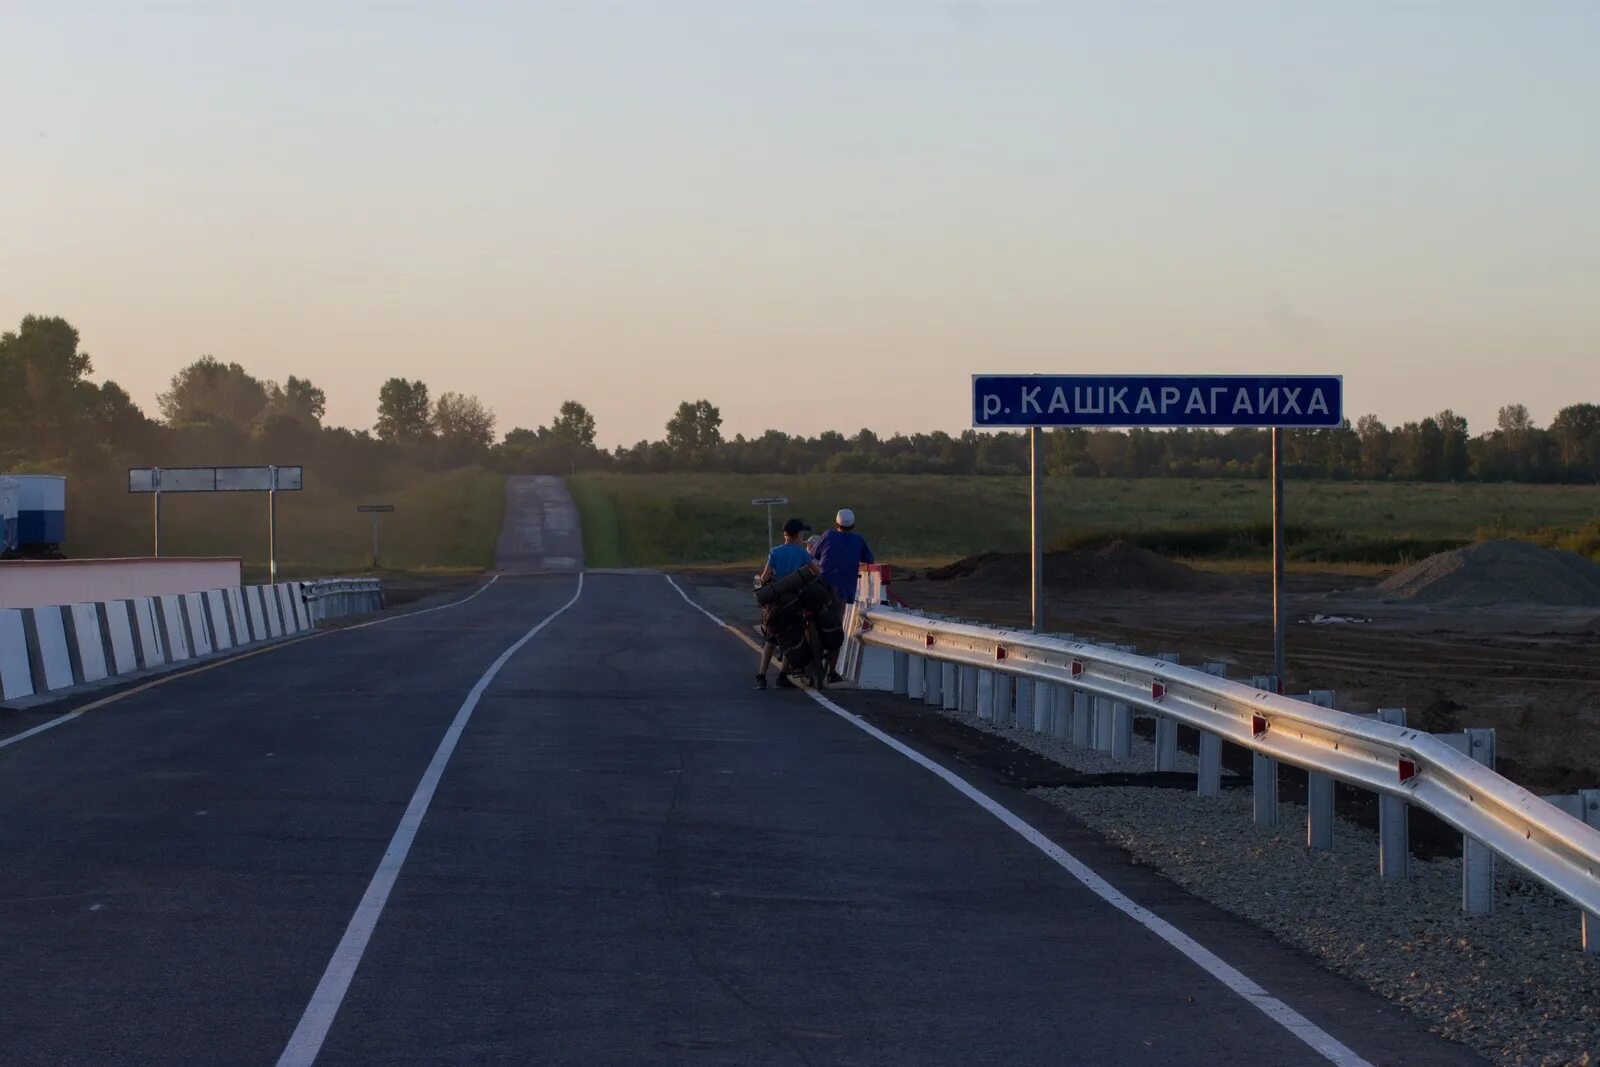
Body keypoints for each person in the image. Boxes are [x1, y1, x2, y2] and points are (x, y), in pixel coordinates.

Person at [809, 507, 874, 683]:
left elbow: (813, 554)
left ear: (836, 523)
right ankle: (831, 672)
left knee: (813, 616)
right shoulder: (858, 540)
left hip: (823, 586)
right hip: (843, 591)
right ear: (853, 526)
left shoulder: (828, 535)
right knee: (836, 627)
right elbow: (870, 560)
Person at [755, 518, 818, 689]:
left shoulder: (774, 552)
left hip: (777, 603)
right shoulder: (802, 553)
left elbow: (765, 577)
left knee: (771, 639)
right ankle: (782, 675)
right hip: (795, 602)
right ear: (797, 535)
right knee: (793, 635)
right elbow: (816, 572)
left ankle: (761, 676)